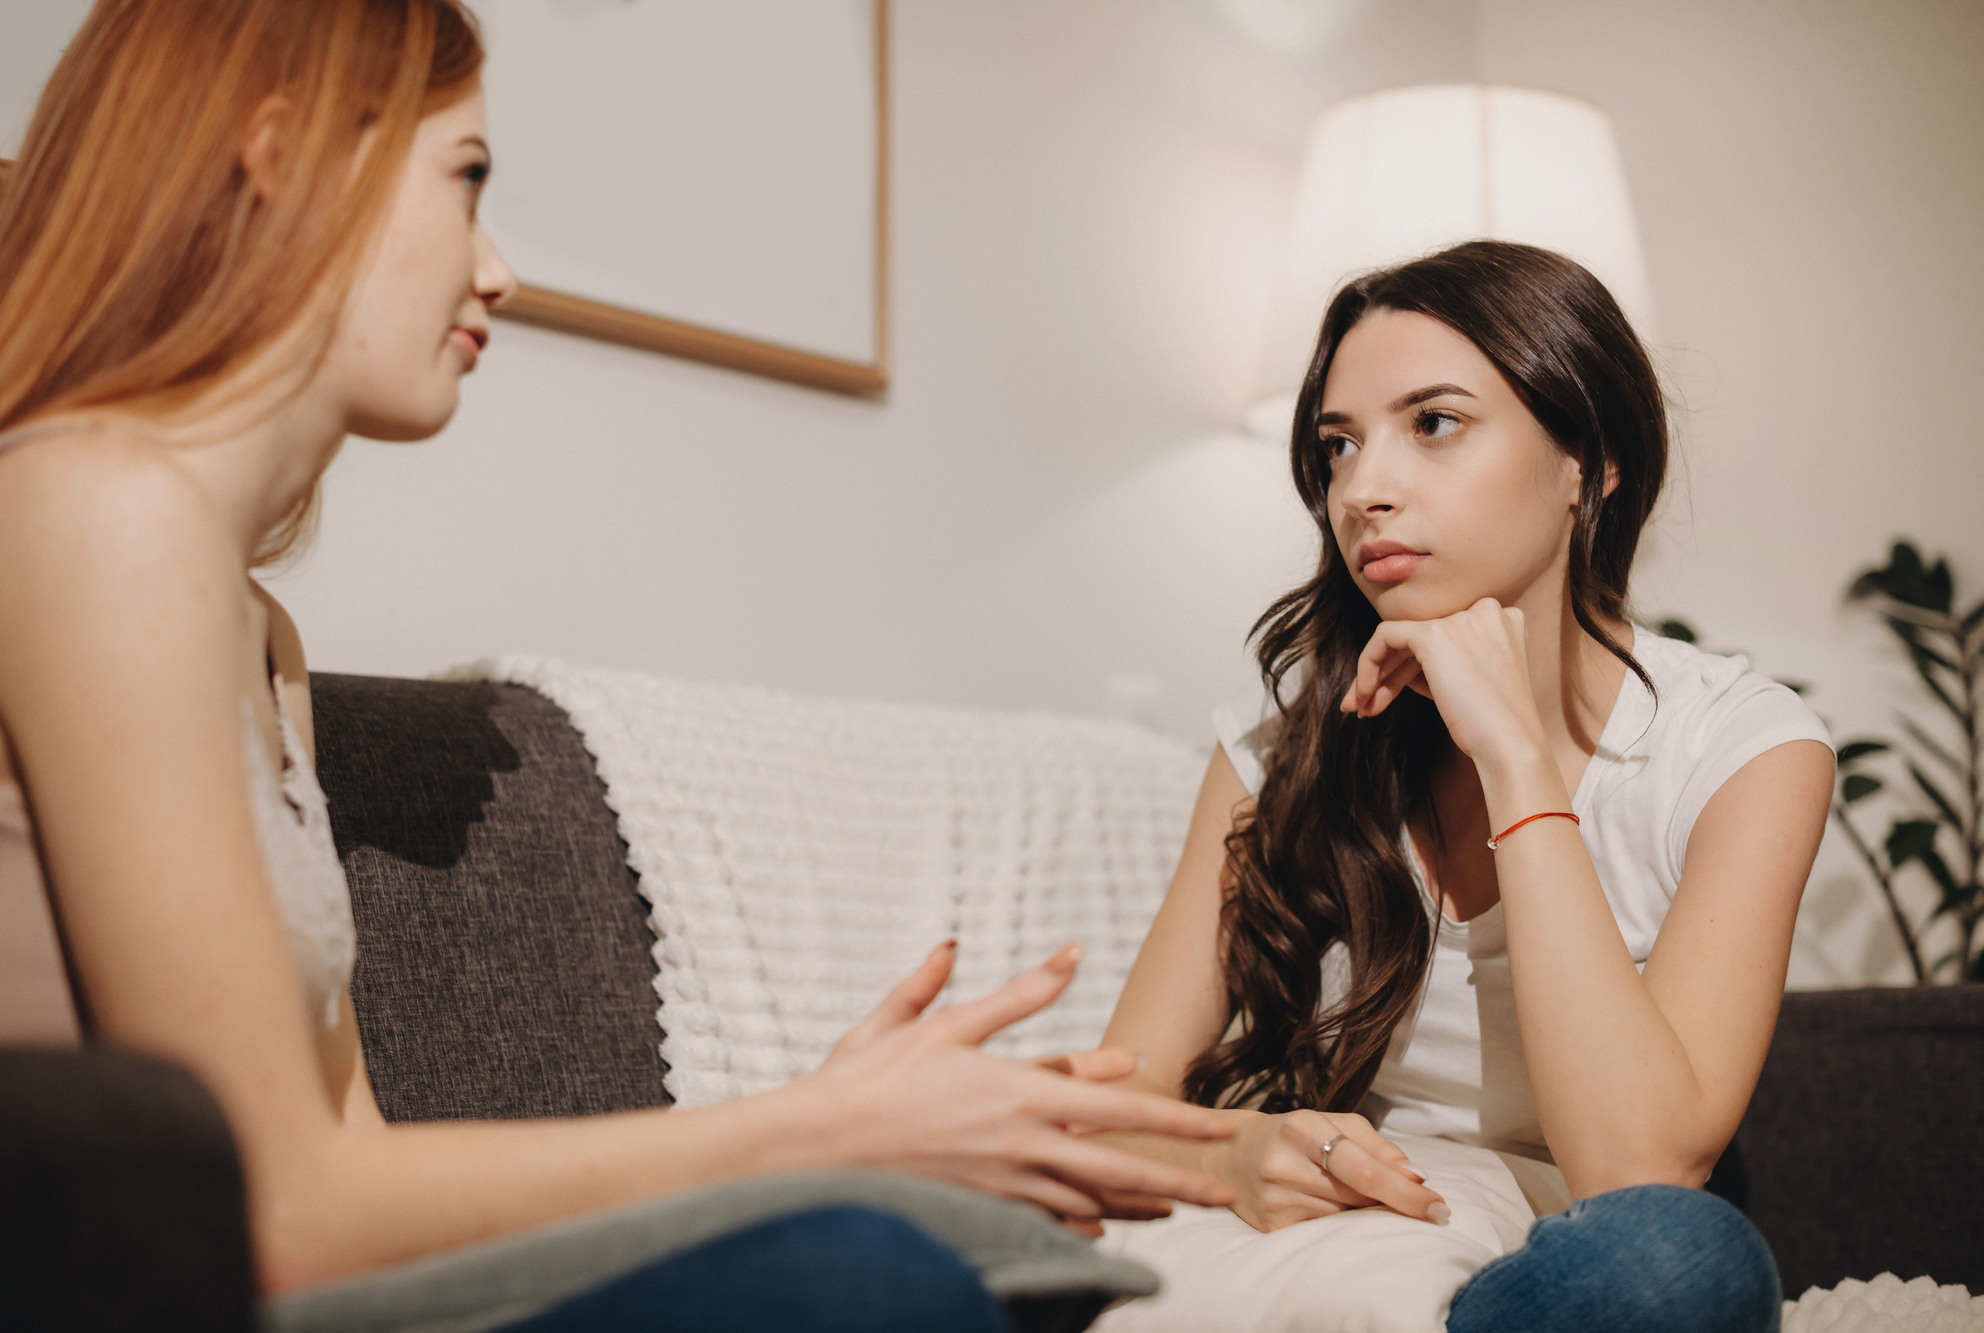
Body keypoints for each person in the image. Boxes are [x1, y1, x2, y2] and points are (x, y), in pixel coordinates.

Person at [0, 2, 1236, 1328]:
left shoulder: (257, 630)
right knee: (864, 1277)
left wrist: (812, 1126)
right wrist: (822, 1133)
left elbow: (346, 1166)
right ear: (282, 156)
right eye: (466, 179)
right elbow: (275, 1218)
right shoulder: (92, 503)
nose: (497, 272)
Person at [1088, 241, 1834, 1331]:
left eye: (1432, 424)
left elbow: (1641, 1168)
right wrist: (1238, 1149)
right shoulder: (1274, 755)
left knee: (1681, 1260)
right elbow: (1109, 1114)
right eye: (1337, 446)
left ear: (1590, 461)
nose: (1365, 490)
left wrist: (1514, 758)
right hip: (1334, 1246)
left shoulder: (1742, 748)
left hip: (1552, 1262)